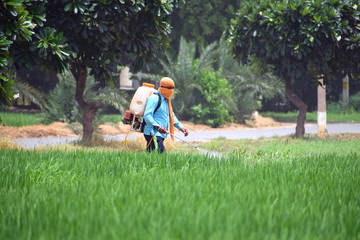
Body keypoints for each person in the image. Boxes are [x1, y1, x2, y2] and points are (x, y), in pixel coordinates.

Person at [143, 77, 189, 153]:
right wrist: (158, 127)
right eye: (169, 88)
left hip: (160, 134)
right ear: (162, 87)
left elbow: (171, 116)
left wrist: (181, 128)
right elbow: (147, 115)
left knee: (151, 155)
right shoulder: (154, 98)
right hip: (153, 132)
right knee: (161, 154)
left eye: (172, 88)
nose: (171, 91)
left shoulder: (167, 101)